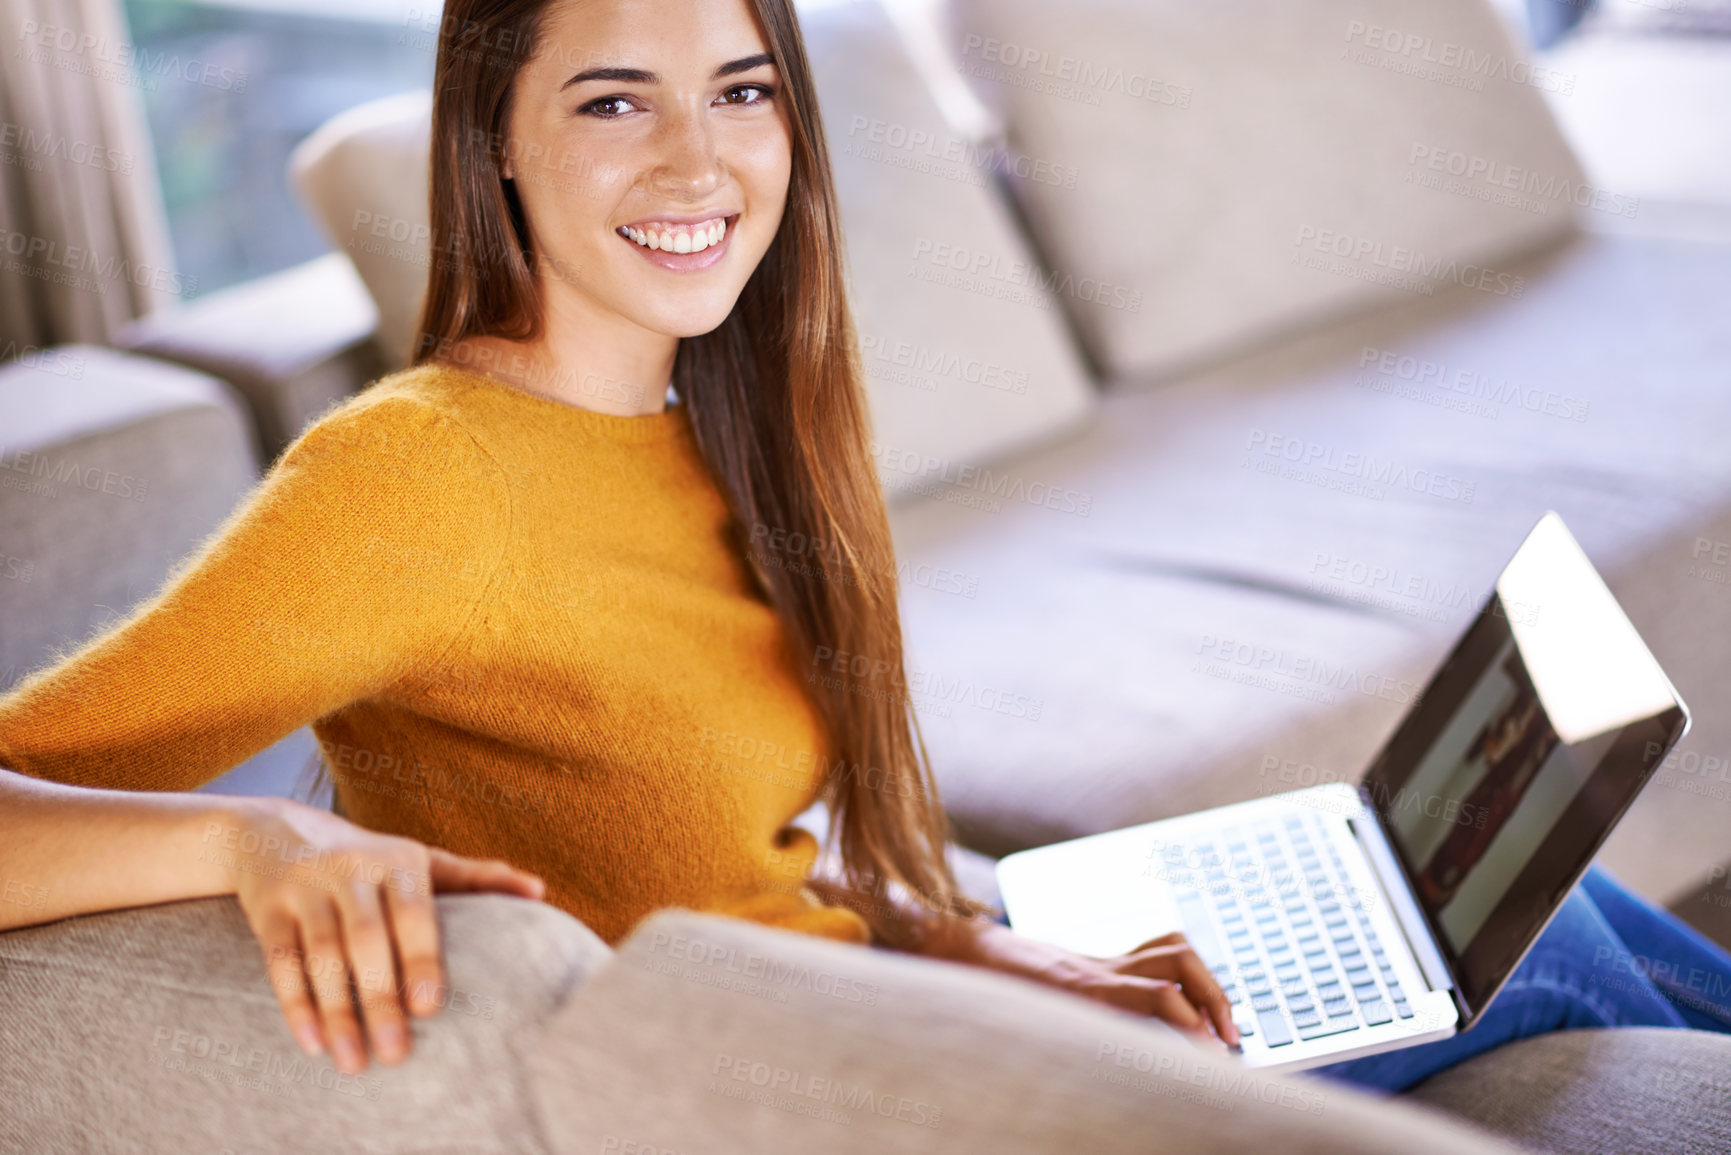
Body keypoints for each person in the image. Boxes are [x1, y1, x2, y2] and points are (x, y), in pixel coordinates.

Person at [1, 0, 1726, 1099]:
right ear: (494, 144)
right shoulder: (414, 481)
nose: (701, 157)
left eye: (741, 87)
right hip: (818, 1092)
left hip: (896, 1000)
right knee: (1548, 947)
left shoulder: (725, 412)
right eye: (615, 102)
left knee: (1532, 901)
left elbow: (720, 855)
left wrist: (982, 945)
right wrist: (240, 839)